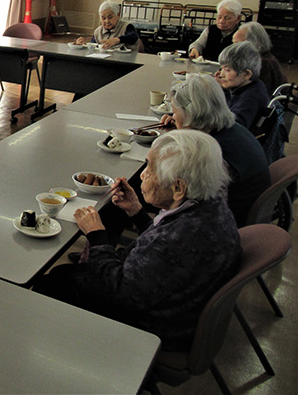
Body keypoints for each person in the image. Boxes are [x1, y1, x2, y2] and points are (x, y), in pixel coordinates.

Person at [35, 130, 241, 352]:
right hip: (170, 302)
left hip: (153, 329)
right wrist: (137, 212)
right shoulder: (211, 207)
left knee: (53, 283)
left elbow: (118, 293)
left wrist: (96, 235)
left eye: (150, 169)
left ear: (178, 188)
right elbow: (161, 255)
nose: (142, 175)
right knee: (64, 274)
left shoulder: (181, 238)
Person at [161, 74, 270, 226]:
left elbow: (206, 212)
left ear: (192, 114)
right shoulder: (230, 127)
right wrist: (184, 131)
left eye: (175, 111)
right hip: (247, 208)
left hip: (231, 222)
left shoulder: (215, 154)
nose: (173, 116)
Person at [217, 41, 269, 130]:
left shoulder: (252, 96)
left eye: (227, 70)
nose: (221, 74)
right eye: (221, 68)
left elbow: (235, 126)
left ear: (246, 74)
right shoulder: (241, 86)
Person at [232, 21, 288, 95]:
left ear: (253, 43)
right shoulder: (263, 57)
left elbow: (252, 94)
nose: (233, 48)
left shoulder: (262, 64)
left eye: (237, 44)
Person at [75, 0, 139, 50]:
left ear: (118, 15)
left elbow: (133, 37)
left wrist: (117, 40)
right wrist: (83, 45)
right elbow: (93, 46)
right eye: (103, 18)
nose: (107, 21)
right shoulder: (98, 31)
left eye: (110, 17)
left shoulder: (126, 26)